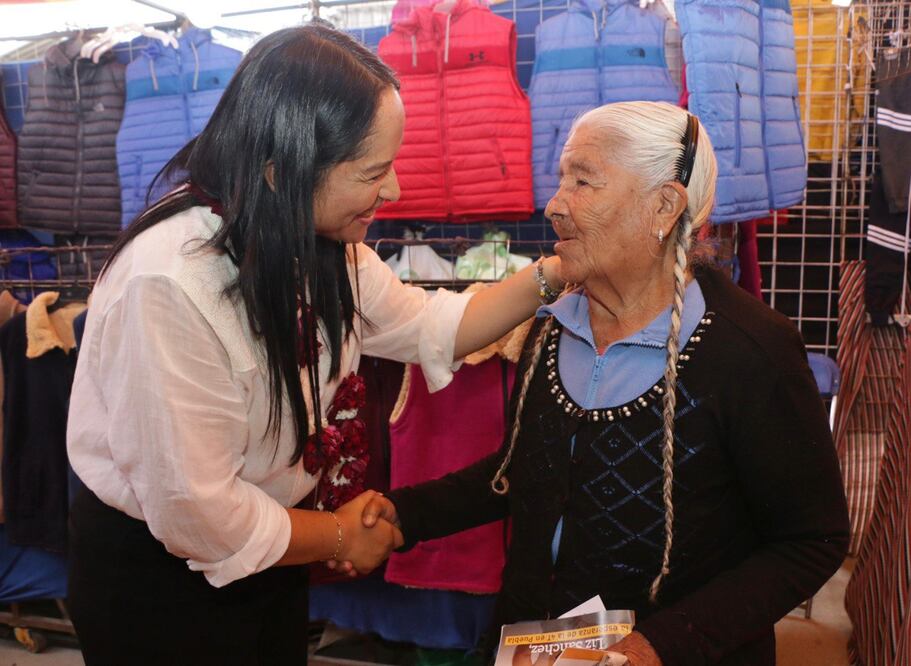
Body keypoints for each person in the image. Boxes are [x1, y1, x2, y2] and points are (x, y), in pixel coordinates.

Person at [65, 24, 563, 665]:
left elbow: (425, 325)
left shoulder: (319, 241)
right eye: (372, 172)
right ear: (281, 171)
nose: (395, 192)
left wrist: (553, 275)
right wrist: (336, 535)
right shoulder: (170, 284)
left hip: (270, 552)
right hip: (161, 584)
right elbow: (197, 512)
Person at [357, 101, 850, 665]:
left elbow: (811, 540)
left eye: (583, 182)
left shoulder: (749, 351)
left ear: (664, 205)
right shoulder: (550, 328)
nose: (554, 205)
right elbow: (526, 472)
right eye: (561, 179)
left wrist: (656, 646)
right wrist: (404, 517)